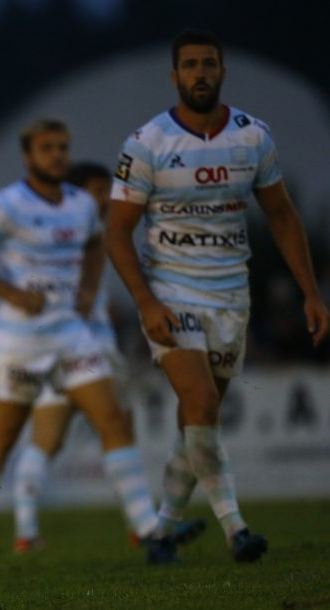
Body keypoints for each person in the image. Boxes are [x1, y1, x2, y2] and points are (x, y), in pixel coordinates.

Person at [106, 29, 330, 563]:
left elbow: (281, 215)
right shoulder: (148, 143)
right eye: (190, 65)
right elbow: (116, 232)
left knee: (196, 420)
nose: (200, 73)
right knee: (202, 402)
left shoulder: (253, 137)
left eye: (209, 64)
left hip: (231, 295)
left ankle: (161, 531)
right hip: (170, 291)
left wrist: (311, 293)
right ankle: (236, 529)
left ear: (222, 71)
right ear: (175, 76)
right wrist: (146, 302)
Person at [0, 119, 165, 559]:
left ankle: (152, 532)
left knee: (113, 419)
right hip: (18, 342)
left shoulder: (82, 204)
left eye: (62, 147)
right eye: (47, 149)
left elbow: (97, 243)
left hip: (70, 335)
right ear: (28, 157)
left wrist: (86, 292)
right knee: (5, 435)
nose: (57, 156)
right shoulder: (8, 204)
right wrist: (7, 292)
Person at [9, 162, 204, 551]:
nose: (106, 197)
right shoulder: (77, 230)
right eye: (99, 190)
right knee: (114, 428)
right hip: (81, 349)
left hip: (61, 349)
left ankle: (27, 532)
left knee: (48, 441)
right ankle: (148, 528)